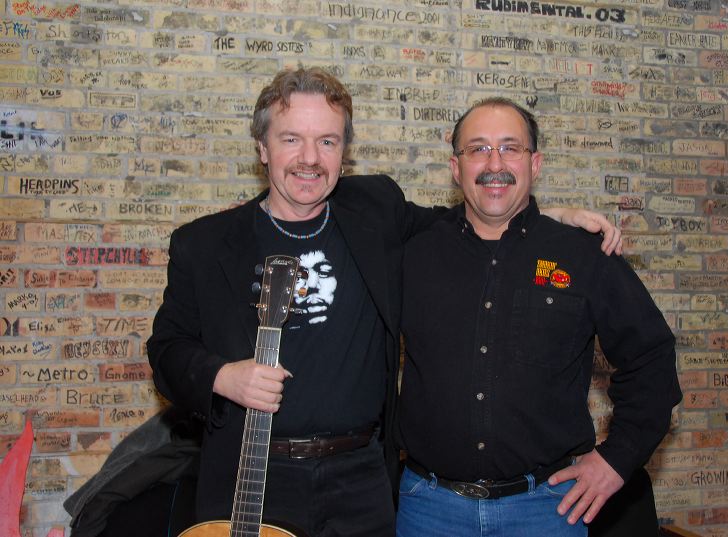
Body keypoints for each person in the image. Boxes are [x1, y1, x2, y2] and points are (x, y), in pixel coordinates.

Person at [146, 68, 622, 536]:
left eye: (327, 141)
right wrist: (222, 377)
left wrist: (550, 218)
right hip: (251, 477)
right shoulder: (205, 244)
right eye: (291, 139)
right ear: (262, 149)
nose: (310, 158)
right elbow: (167, 349)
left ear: (344, 153)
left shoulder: (375, 210)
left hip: (360, 484)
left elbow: (462, 223)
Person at [396, 97, 681, 537]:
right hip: (429, 510)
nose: (495, 164)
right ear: (456, 167)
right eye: (478, 149)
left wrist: (616, 459)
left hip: (547, 510)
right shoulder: (414, 253)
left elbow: (651, 358)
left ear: (535, 164)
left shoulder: (582, 254)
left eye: (510, 148)